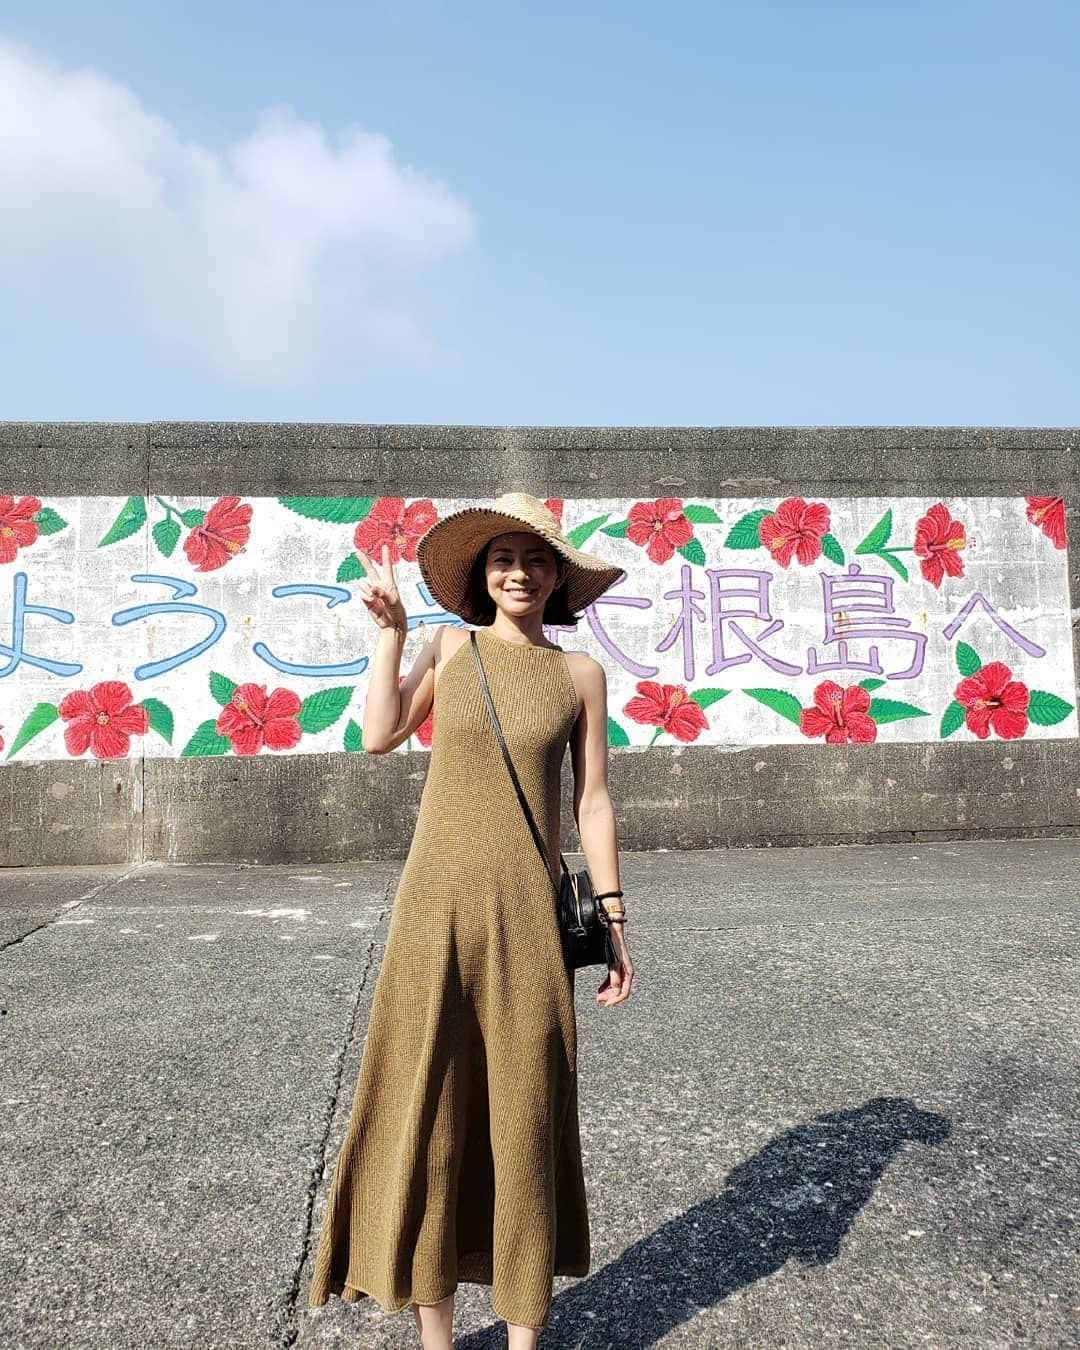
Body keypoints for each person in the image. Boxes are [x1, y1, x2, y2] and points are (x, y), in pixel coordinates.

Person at [307, 491, 634, 1350]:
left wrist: (613, 918)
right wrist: (389, 637)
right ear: (480, 576)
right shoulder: (451, 647)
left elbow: (593, 802)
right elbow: (379, 734)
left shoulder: (580, 676)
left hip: (527, 913)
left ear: (559, 576)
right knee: (436, 1111)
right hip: (434, 908)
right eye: (501, 559)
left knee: (526, 1116)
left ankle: (524, 1336)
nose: (518, 572)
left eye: (535, 559)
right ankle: (436, 1339)